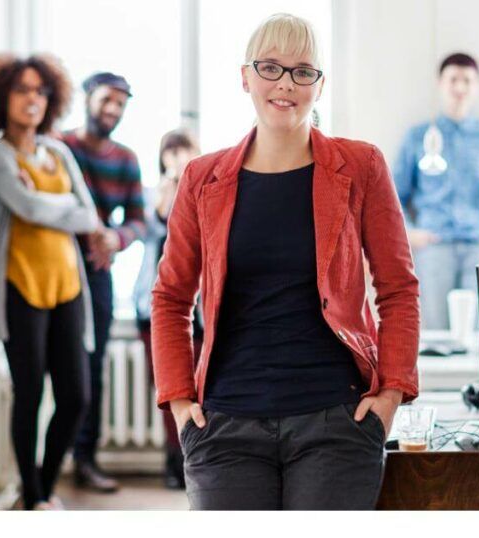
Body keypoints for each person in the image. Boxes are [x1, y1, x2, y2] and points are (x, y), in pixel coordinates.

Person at [151, 13, 420, 510]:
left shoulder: (361, 166)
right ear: (245, 77)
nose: (285, 83)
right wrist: (180, 403)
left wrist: (392, 396)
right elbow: (170, 298)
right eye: (270, 67)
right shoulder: (201, 178)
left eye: (303, 71)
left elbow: (398, 288)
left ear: (319, 85)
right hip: (225, 425)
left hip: (336, 420)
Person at [0, 53, 99, 510]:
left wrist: (40, 201)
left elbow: (88, 215)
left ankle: (46, 488)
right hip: (20, 285)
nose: (32, 99)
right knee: (30, 394)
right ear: (3, 97)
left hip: (67, 286)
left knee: (75, 396)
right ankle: (33, 499)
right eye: (21, 90)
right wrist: (59, 208)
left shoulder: (59, 153)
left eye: (39, 91)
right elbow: (27, 209)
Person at [61, 72, 146, 492]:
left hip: (97, 276)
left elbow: (139, 221)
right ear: (86, 98)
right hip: (55, 268)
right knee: (52, 367)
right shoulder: (60, 147)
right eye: (106, 100)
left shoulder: (126, 159)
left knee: (90, 371)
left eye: (120, 104)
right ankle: (45, 467)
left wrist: (115, 238)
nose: (112, 109)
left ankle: (85, 460)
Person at [393, 52, 479, 330]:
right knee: (435, 334)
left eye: (467, 80)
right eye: (453, 79)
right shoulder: (419, 136)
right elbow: (394, 195)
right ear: (441, 83)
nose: (460, 87)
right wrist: (410, 232)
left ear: (477, 86)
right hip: (434, 248)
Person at [133, 128, 203, 490]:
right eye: (170, 151)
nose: (177, 157)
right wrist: (169, 189)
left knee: (201, 388)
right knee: (169, 387)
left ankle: (198, 460)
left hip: (202, 310)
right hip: (154, 307)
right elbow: (155, 226)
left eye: (184, 149)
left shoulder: (208, 190)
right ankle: (173, 463)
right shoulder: (153, 194)